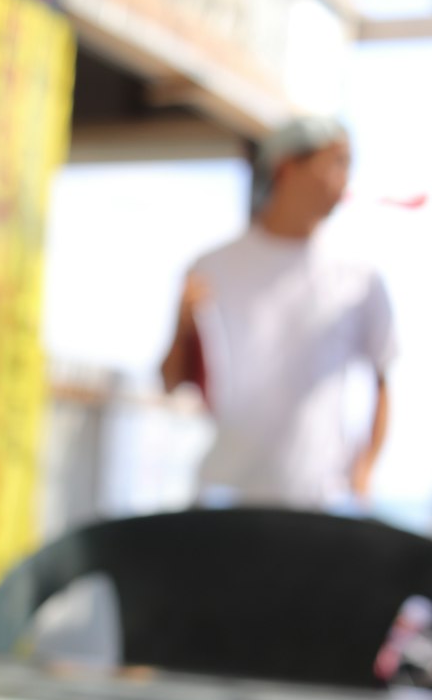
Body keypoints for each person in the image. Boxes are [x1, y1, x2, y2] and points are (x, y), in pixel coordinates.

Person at [161, 115, 396, 509]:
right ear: (287, 167)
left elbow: (383, 375)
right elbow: (171, 382)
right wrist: (183, 325)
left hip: (318, 501)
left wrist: (365, 468)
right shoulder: (212, 267)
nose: (344, 179)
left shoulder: (361, 278)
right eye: (335, 162)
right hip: (225, 493)